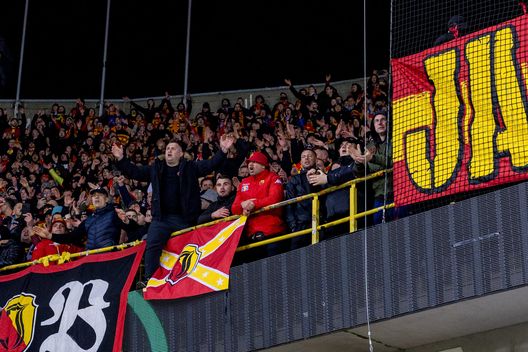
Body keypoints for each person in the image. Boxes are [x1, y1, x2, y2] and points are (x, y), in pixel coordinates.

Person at [112, 134, 235, 280]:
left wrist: (223, 150)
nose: (169, 151)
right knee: (151, 246)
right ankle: (151, 281)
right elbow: (135, 172)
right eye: (168, 149)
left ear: (181, 153)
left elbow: (210, 164)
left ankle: (187, 279)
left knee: (188, 250)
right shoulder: (156, 168)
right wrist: (121, 158)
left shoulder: (190, 167)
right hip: (161, 219)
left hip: (184, 219)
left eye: (173, 148)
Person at [231, 151, 286, 260]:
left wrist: (253, 204)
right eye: (249, 163)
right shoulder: (244, 183)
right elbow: (234, 208)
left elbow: (275, 199)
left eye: (254, 162)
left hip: (273, 233)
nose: (250, 165)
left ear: (263, 165)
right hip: (251, 237)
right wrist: (243, 205)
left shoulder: (273, 178)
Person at [284, 148, 321, 250]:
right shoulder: (294, 180)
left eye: (309, 156)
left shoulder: (322, 175)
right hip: (300, 224)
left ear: (316, 159)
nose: (306, 158)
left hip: (320, 220)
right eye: (303, 157)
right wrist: (293, 225)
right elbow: (289, 204)